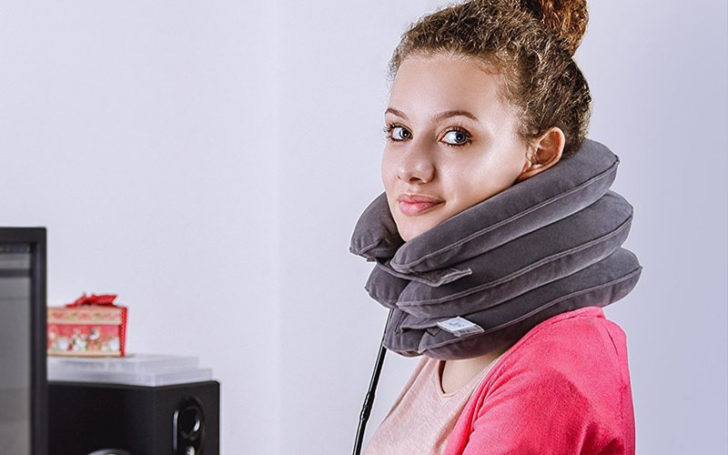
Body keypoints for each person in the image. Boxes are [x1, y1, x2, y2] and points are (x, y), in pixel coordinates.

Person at [359, 0, 635, 454]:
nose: (410, 168)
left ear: (539, 153)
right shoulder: (460, 329)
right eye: (400, 132)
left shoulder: (550, 371)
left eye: (456, 136)